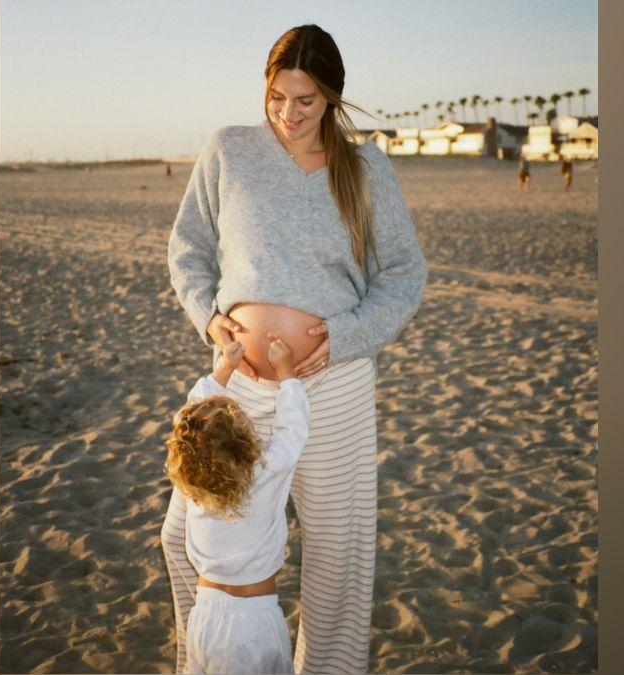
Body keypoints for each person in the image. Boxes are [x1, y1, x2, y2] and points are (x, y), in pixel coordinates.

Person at [163, 23, 427, 674]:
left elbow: (403, 274)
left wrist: (345, 336)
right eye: (277, 96)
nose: (288, 113)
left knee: (337, 557)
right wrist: (209, 318)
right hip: (239, 387)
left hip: (333, 382)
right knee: (181, 537)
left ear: (331, 96)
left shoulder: (365, 168)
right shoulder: (229, 150)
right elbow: (188, 249)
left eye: (305, 100)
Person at [166, 337, 309, 674]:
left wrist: (224, 369)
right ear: (244, 443)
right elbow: (293, 428)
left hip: (203, 619)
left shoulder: (194, 484)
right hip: (253, 624)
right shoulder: (265, 474)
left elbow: (189, 417)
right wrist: (287, 373)